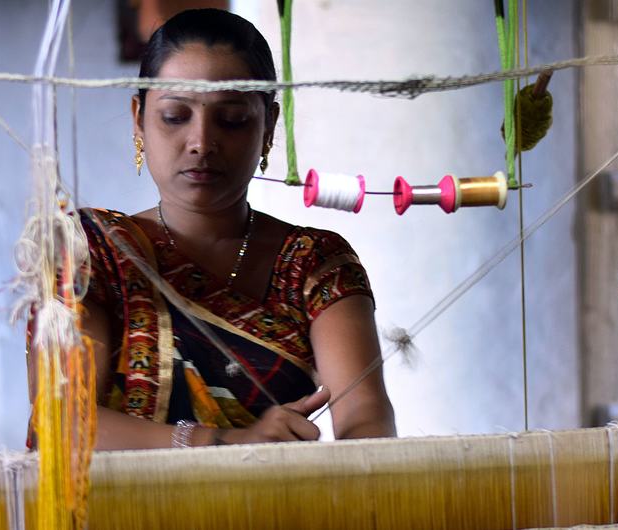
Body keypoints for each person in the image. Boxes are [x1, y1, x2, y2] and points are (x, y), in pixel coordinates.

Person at [79, 8, 394, 450]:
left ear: (268, 126)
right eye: (175, 116)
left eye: (232, 119)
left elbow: (366, 423)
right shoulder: (92, 252)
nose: (202, 142)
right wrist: (221, 442)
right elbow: (65, 424)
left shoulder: (314, 263)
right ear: (139, 119)